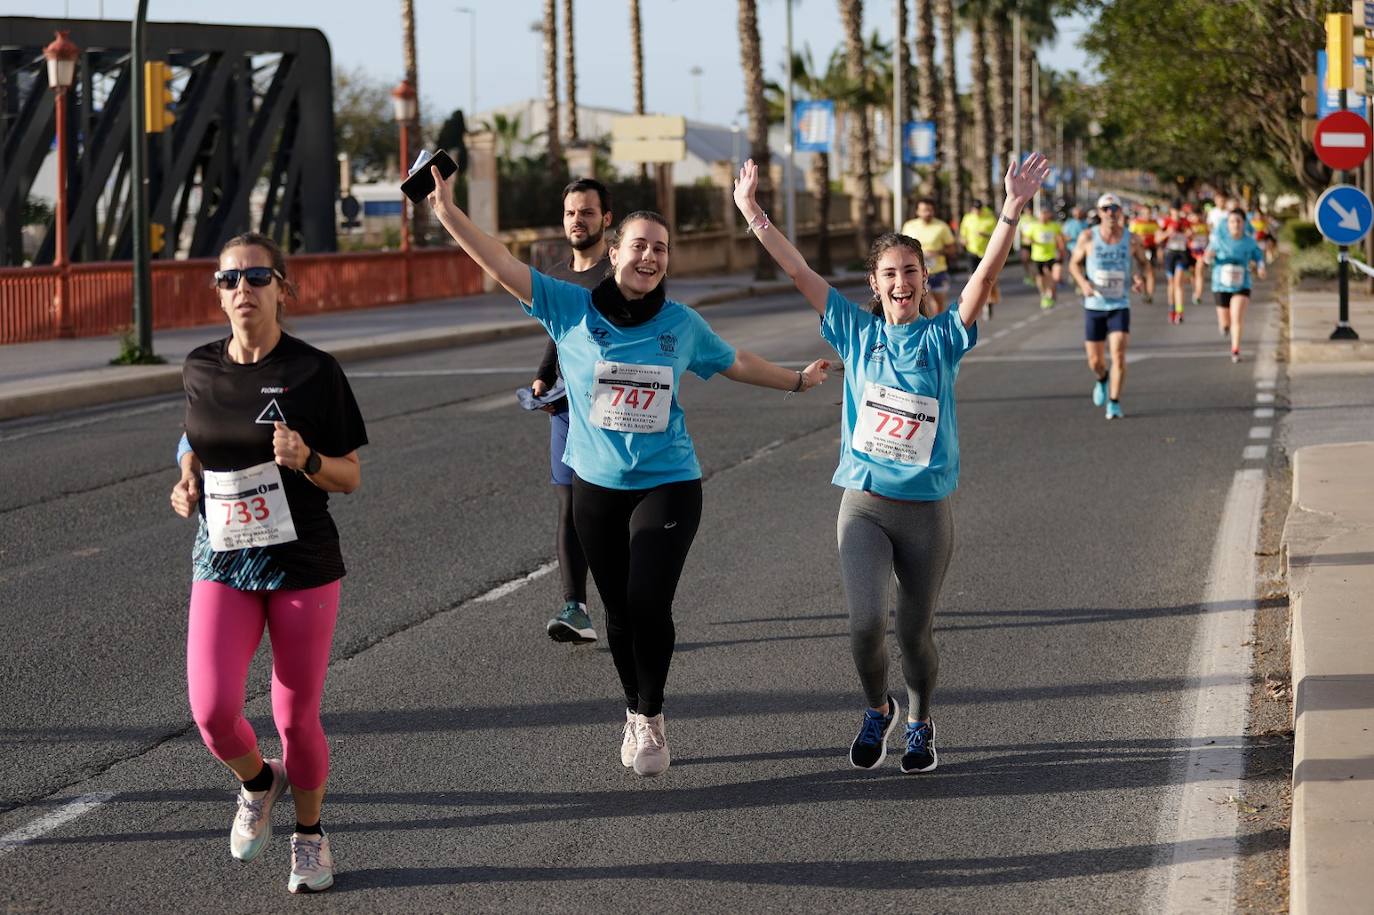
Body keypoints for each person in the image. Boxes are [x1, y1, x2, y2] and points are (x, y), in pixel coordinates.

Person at [425, 168, 831, 778]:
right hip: (595, 485)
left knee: (647, 600)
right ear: (614, 251)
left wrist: (797, 380)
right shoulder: (568, 306)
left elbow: (736, 361)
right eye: (639, 245)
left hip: (668, 479)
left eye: (660, 249)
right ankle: (633, 708)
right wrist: (451, 215)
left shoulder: (681, 325)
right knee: (616, 611)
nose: (650, 256)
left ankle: (653, 714)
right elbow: (503, 263)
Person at [734, 152, 1051, 774]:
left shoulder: (942, 339)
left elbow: (983, 283)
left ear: (924, 279)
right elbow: (799, 272)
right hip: (866, 504)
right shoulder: (855, 332)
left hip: (926, 512)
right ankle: (877, 707)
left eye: (911, 271)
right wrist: (753, 213)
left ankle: (922, 718)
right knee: (863, 624)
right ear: (873, 285)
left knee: (914, 635)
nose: (900, 282)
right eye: (889, 273)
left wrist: (1011, 209)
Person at [169, 232, 367, 894]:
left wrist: (307, 459)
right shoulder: (199, 367)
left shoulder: (315, 372)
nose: (242, 289)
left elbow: (350, 476)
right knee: (213, 709)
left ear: (284, 287)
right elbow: (191, 442)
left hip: (301, 562)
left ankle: (309, 838)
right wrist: (187, 477)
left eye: (257, 277)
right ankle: (260, 781)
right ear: (218, 293)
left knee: (294, 716)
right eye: (229, 280)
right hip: (222, 556)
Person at [531, 178, 613, 644]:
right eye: (570, 213)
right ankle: (575, 607)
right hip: (564, 408)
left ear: (605, 219)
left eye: (586, 212)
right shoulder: (558, 276)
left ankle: (627, 601)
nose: (577, 221)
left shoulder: (619, 272)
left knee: (606, 508)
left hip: (611, 409)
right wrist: (543, 374)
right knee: (569, 503)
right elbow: (556, 334)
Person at [1069, 193, 1150, 420]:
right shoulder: (1087, 237)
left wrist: (1139, 279)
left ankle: (1114, 402)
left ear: (1120, 211)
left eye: (1114, 208)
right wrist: (1084, 283)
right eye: (1106, 209)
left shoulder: (1132, 239)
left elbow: (1143, 263)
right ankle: (1102, 379)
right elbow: (1073, 264)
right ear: (1099, 212)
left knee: (1119, 354)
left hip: (1119, 304)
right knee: (1095, 361)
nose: (1111, 213)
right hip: (1094, 304)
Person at [1205, 208, 1267, 363]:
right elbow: (1207, 256)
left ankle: (1235, 350)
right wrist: (1208, 257)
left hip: (1242, 284)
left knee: (1237, 317)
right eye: (1232, 221)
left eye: (1239, 221)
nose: (1236, 224)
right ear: (1227, 224)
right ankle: (1225, 327)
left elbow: (1259, 257)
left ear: (1244, 223)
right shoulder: (1219, 240)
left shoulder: (1249, 242)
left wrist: (1261, 267)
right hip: (1220, 285)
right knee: (1225, 322)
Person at [899, 198, 958, 310]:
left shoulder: (942, 227)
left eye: (930, 210)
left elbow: (952, 249)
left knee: (939, 306)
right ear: (917, 212)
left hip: (938, 271)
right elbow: (901, 247)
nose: (928, 213)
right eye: (924, 210)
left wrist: (937, 252)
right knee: (922, 304)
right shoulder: (909, 226)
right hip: (917, 272)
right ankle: (926, 326)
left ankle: (938, 325)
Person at [958, 199, 1000, 319]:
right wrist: (963, 240)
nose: (977, 211)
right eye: (975, 209)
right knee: (972, 279)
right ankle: (976, 304)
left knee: (988, 280)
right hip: (972, 251)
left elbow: (997, 234)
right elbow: (962, 234)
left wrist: (985, 235)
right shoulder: (967, 218)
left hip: (987, 252)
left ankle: (989, 302)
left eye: (979, 209)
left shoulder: (989, 218)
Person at [1023, 203, 1066, 309]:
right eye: (1042, 214)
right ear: (1039, 216)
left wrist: (1061, 249)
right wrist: (1030, 240)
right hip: (1038, 256)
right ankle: (1043, 294)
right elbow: (1025, 239)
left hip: (1052, 255)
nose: (1043, 216)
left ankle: (1050, 292)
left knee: (1053, 276)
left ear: (1049, 215)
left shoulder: (1054, 225)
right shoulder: (1033, 226)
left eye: (1045, 214)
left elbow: (1060, 237)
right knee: (1040, 278)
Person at [1159, 201, 1195, 324]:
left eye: (1179, 210)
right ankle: (1171, 309)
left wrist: (1189, 234)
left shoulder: (1186, 222)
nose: (1177, 213)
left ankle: (1180, 312)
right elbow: (1157, 238)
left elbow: (1192, 237)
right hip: (1170, 254)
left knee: (1178, 282)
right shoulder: (1166, 221)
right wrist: (1167, 233)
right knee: (1171, 284)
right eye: (1175, 210)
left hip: (1182, 254)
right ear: (1171, 210)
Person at [1128, 204, 1159, 305]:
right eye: (1145, 213)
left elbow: (1159, 235)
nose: (1147, 215)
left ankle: (1150, 295)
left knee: (1150, 271)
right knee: (1143, 273)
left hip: (1151, 249)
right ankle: (1146, 293)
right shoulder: (1135, 223)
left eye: (1149, 213)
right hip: (1140, 250)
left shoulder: (1154, 223)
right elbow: (1130, 236)